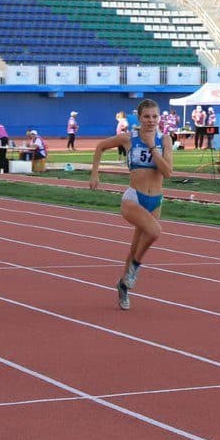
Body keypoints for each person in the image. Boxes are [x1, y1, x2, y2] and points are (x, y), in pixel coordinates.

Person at [89, 99, 172, 310]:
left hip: (156, 200)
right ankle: (134, 269)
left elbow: (168, 172)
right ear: (139, 117)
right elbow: (100, 147)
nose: (151, 120)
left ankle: (123, 286)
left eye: (154, 116)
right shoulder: (129, 138)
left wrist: (152, 146)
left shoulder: (165, 140)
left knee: (135, 247)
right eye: (146, 116)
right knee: (154, 232)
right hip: (134, 197)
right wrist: (95, 174)